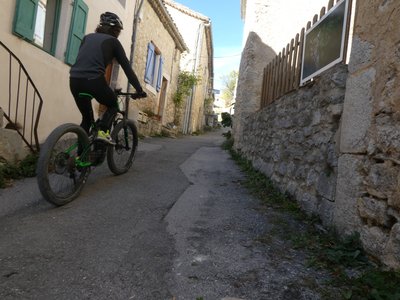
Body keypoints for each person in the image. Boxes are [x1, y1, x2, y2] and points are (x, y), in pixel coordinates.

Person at [69, 12, 146, 145]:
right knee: (112, 104)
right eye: (118, 31)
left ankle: (80, 160)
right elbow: (127, 68)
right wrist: (139, 90)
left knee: (86, 120)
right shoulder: (114, 42)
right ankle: (103, 133)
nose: (118, 34)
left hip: (74, 80)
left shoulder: (87, 38)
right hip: (93, 81)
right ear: (114, 30)